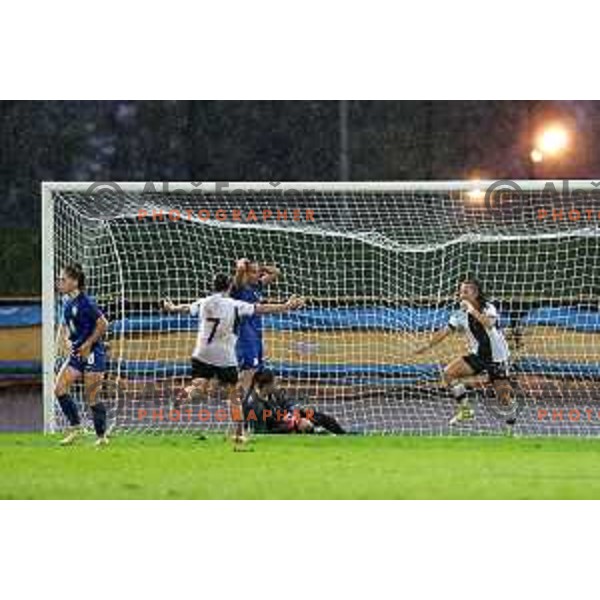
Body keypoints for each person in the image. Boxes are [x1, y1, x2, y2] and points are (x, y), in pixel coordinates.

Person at [163, 273, 304, 449]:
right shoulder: (234, 305)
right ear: (229, 287)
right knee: (234, 396)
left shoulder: (204, 302)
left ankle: (183, 394)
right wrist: (285, 306)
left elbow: (186, 308)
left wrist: (172, 307)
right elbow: (260, 309)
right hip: (223, 355)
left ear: (213, 286)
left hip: (202, 352)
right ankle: (238, 435)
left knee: (199, 387)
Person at [415, 278, 516, 426]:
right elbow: (445, 332)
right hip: (478, 355)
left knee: (503, 397)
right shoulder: (459, 314)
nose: (461, 295)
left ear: (475, 293)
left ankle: (511, 422)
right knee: (449, 373)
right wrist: (427, 346)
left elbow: (488, 324)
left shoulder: (488, 307)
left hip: (498, 357)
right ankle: (465, 410)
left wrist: (471, 310)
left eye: (465, 292)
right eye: (460, 291)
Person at [55, 263, 110, 446]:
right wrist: (67, 341)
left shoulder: (86, 302)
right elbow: (69, 328)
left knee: (91, 395)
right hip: (78, 352)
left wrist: (87, 344)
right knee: (60, 388)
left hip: (93, 352)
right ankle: (76, 428)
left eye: (63, 280)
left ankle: (101, 437)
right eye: (59, 279)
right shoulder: (67, 303)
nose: (59, 283)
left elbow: (103, 324)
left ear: (75, 282)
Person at [230, 258, 281, 395]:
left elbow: (276, 273)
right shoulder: (239, 286)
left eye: (258, 272)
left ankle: (248, 402)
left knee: (258, 371)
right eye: (253, 272)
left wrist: (261, 267)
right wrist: (241, 265)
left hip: (257, 333)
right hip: (245, 336)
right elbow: (239, 273)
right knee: (248, 373)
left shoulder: (257, 286)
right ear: (246, 273)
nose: (257, 275)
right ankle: (242, 406)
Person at [243, 370, 346, 435]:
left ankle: (345, 436)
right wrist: (293, 426)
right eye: (274, 383)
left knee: (323, 418)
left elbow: (288, 403)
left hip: (290, 420)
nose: (277, 385)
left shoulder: (275, 395)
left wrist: (297, 411)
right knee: (311, 428)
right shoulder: (255, 406)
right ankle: (320, 433)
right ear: (267, 385)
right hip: (283, 428)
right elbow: (262, 433)